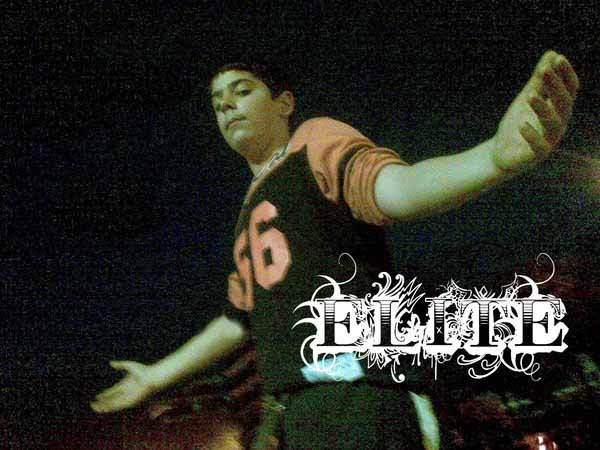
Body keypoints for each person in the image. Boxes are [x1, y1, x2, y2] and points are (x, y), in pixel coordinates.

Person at [91, 51, 579, 449]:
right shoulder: (249, 210)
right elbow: (237, 318)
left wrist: (491, 158)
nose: (227, 107)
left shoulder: (313, 141)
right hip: (297, 409)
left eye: (242, 91)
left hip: (361, 393)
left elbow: (396, 189)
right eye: (218, 102)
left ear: (284, 103)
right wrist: (156, 377)